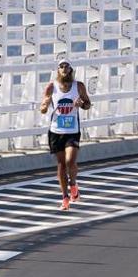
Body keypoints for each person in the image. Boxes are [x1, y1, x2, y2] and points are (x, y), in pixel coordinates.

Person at [39, 60, 93, 211]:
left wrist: (81, 104)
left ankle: (73, 184)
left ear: (70, 69)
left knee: (70, 161)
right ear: (58, 70)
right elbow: (43, 108)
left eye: (66, 66)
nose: (64, 69)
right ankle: (65, 198)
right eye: (61, 67)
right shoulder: (51, 87)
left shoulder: (78, 86)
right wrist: (45, 105)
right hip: (56, 131)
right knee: (61, 165)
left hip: (72, 131)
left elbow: (88, 104)